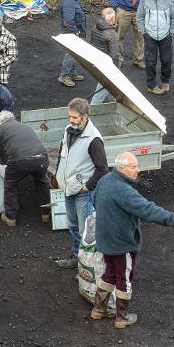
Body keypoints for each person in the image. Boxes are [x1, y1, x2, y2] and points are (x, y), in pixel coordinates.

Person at [92, 152, 174, 329]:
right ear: (121, 168)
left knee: (110, 273)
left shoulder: (105, 180)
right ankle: (122, 318)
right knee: (124, 277)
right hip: (120, 244)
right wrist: (173, 219)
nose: (138, 170)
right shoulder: (123, 190)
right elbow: (148, 210)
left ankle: (98, 309)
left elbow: (95, 202)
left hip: (105, 241)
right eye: (133, 167)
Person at [54, 98, 108, 269]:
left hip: (83, 193)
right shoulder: (68, 130)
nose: (71, 120)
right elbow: (62, 154)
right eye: (70, 116)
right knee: (73, 226)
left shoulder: (94, 139)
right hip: (69, 189)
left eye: (75, 117)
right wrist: (58, 176)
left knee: (86, 231)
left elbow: (102, 169)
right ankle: (78, 257)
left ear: (85, 117)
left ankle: (87, 264)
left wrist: (86, 187)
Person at [0, 111, 50, 227]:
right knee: (42, 182)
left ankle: (10, 217)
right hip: (42, 158)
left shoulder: (0, 130)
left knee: (10, 185)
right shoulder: (24, 126)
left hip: (20, 161)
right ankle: (46, 213)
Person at [136, 0, 174, 95]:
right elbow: (139, 17)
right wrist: (143, 32)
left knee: (166, 61)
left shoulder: (169, 1)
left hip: (166, 36)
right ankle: (151, 86)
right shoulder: (144, 0)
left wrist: (171, 32)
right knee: (150, 62)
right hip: (150, 36)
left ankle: (165, 83)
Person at [110, 0, 150, 69]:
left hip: (139, 12)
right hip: (123, 11)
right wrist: (116, 7)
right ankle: (118, 60)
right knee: (118, 36)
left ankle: (138, 60)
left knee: (141, 37)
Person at [58, 0, 87, 87]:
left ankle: (72, 72)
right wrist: (76, 33)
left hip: (76, 30)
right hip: (72, 32)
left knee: (75, 53)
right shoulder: (68, 2)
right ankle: (64, 75)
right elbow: (68, 21)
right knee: (70, 53)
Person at [90, 8, 118, 105]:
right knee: (101, 92)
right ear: (112, 18)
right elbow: (114, 55)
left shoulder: (95, 27)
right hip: (107, 66)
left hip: (97, 62)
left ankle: (115, 105)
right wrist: (116, 70)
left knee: (112, 89)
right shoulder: (111, 33)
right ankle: (90, 111)